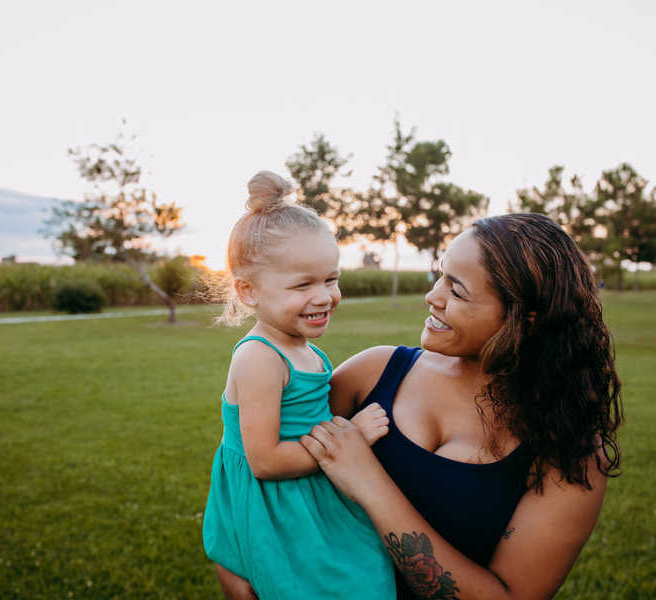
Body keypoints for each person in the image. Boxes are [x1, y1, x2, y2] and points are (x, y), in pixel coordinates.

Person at [217, 213, 622, 598]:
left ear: (526, 319)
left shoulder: (573, 455)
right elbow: (254, 453)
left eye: (457, 290)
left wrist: (368, 481)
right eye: (440, 276)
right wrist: (231, 563)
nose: (433, 296)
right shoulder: (375, 373)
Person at [201, 171, 397, 600]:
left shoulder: (305, 349)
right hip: (278, 504)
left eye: (331, 279)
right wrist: (354, 436)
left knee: (367, 579)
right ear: (248, 291)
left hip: (314, 495)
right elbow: (266, 461)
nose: (325, 296)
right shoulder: (259, 357)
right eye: (303, 284)